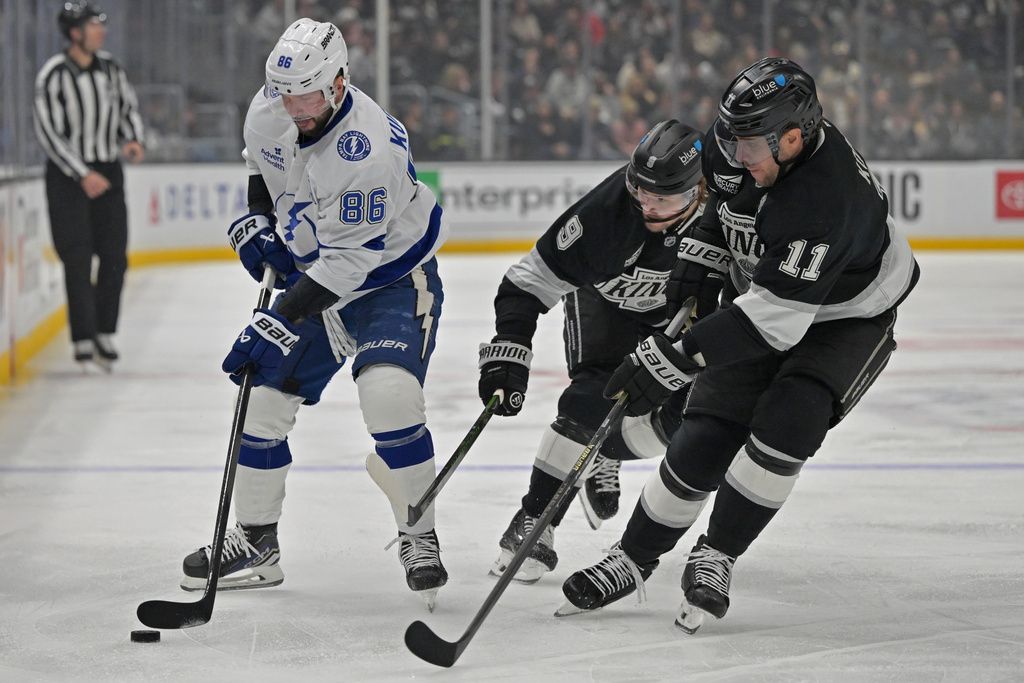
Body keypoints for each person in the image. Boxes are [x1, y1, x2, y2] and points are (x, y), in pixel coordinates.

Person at [558, 57, 921, 632]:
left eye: (749, 146)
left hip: (848, 314)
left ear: (793, 138)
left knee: (790, 417)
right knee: (708, 425)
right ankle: (632, 558)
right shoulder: (736, 143)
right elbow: (721, 208)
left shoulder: (828, 199)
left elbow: (774, 323)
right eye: (730, 140)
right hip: (769, 291)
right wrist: (701, 256)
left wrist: (676, 358)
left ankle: (717, 554)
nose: (736, 156)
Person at [176, 19, 450, 609]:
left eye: (306, 96)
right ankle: (255, 542)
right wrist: (256, 220)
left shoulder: (365, 150)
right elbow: (261, 165)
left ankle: (419, 534)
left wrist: (277, 317)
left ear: (338, 83)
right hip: (317, 274)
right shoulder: (274, 101)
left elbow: (349, 267)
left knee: (389, 395)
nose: (293, 107)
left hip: (389, 279)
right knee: (262, 398)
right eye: (285, 94)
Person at [479, 119, 718, 584]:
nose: (646, 206)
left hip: (680, 319)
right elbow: (528, 281)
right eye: (640, 191)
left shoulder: (725, 213)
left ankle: (603, 452)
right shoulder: (606, 214)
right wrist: (511, 345)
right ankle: (534, 521)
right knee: (590, 399)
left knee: (683, 419)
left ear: (698, 191)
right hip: (606, 305)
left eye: (662, 199)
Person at [33, 2, 145, 370]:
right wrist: (82, 172)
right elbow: (49, 133)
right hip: (68, 178)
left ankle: (105, 331)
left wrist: (131, 139)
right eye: (93, 24)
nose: (102, 30)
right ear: (75, 32)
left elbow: (127, 110)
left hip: (107, 171)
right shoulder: (52, 75)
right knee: (77, 257)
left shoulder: (111, 68)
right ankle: (83, 337)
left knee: (115, 256)